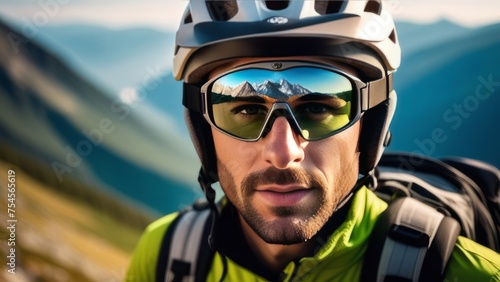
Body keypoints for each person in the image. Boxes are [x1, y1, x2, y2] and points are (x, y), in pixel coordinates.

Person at [126, 1, 500, 281]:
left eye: (319, 108)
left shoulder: (472, 275)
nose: (282, 153)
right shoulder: (166, 257)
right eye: (245, 111)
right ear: (202, 130)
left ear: (371, 126)